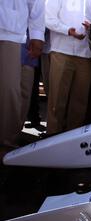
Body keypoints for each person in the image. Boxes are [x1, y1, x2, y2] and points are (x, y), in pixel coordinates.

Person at [0, 0, 45, 152]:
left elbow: (36, 6)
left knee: (10, 89)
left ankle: (7, 142)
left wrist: (37, 35)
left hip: (11, 34)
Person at [46, 0, 91, 135]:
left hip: (85, 54)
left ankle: (72, 140)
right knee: (56, 100)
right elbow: (48, 19)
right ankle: (51, 139)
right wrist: (67, 30)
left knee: (79, 103)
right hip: (61, 50)